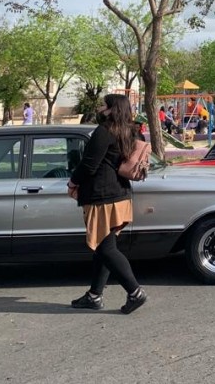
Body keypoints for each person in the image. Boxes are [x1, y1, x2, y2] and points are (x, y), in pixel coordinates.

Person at [67, 94, 147, 313]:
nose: (100, 108)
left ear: (112, 109)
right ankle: (94, 295)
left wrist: (72, 182)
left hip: (102, 196)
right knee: (104, 248)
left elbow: (89, 165)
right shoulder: (130, 131)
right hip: (120, 194)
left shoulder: (104, 131)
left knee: (106, 248)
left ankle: (135, 292)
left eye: (103, 105)